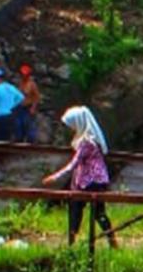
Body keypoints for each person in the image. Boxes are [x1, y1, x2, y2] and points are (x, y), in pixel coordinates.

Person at [42, 106, 116, 247]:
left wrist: (55, 177)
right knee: (96, 212)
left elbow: (73, 164)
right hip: (94, 181)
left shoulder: (86, 142)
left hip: (91, 182)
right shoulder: (90, 139)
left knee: (79, 210)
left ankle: (73, 240)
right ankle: (110, 240)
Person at [14, 64, 41, 143]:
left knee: (28, 125)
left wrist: (33, 108)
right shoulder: (20, 83)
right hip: (19, 107)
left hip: (28, 108)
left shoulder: (32, 84)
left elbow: (37, 97)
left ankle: (31, 142)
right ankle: (19, 140)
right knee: (19, 125)